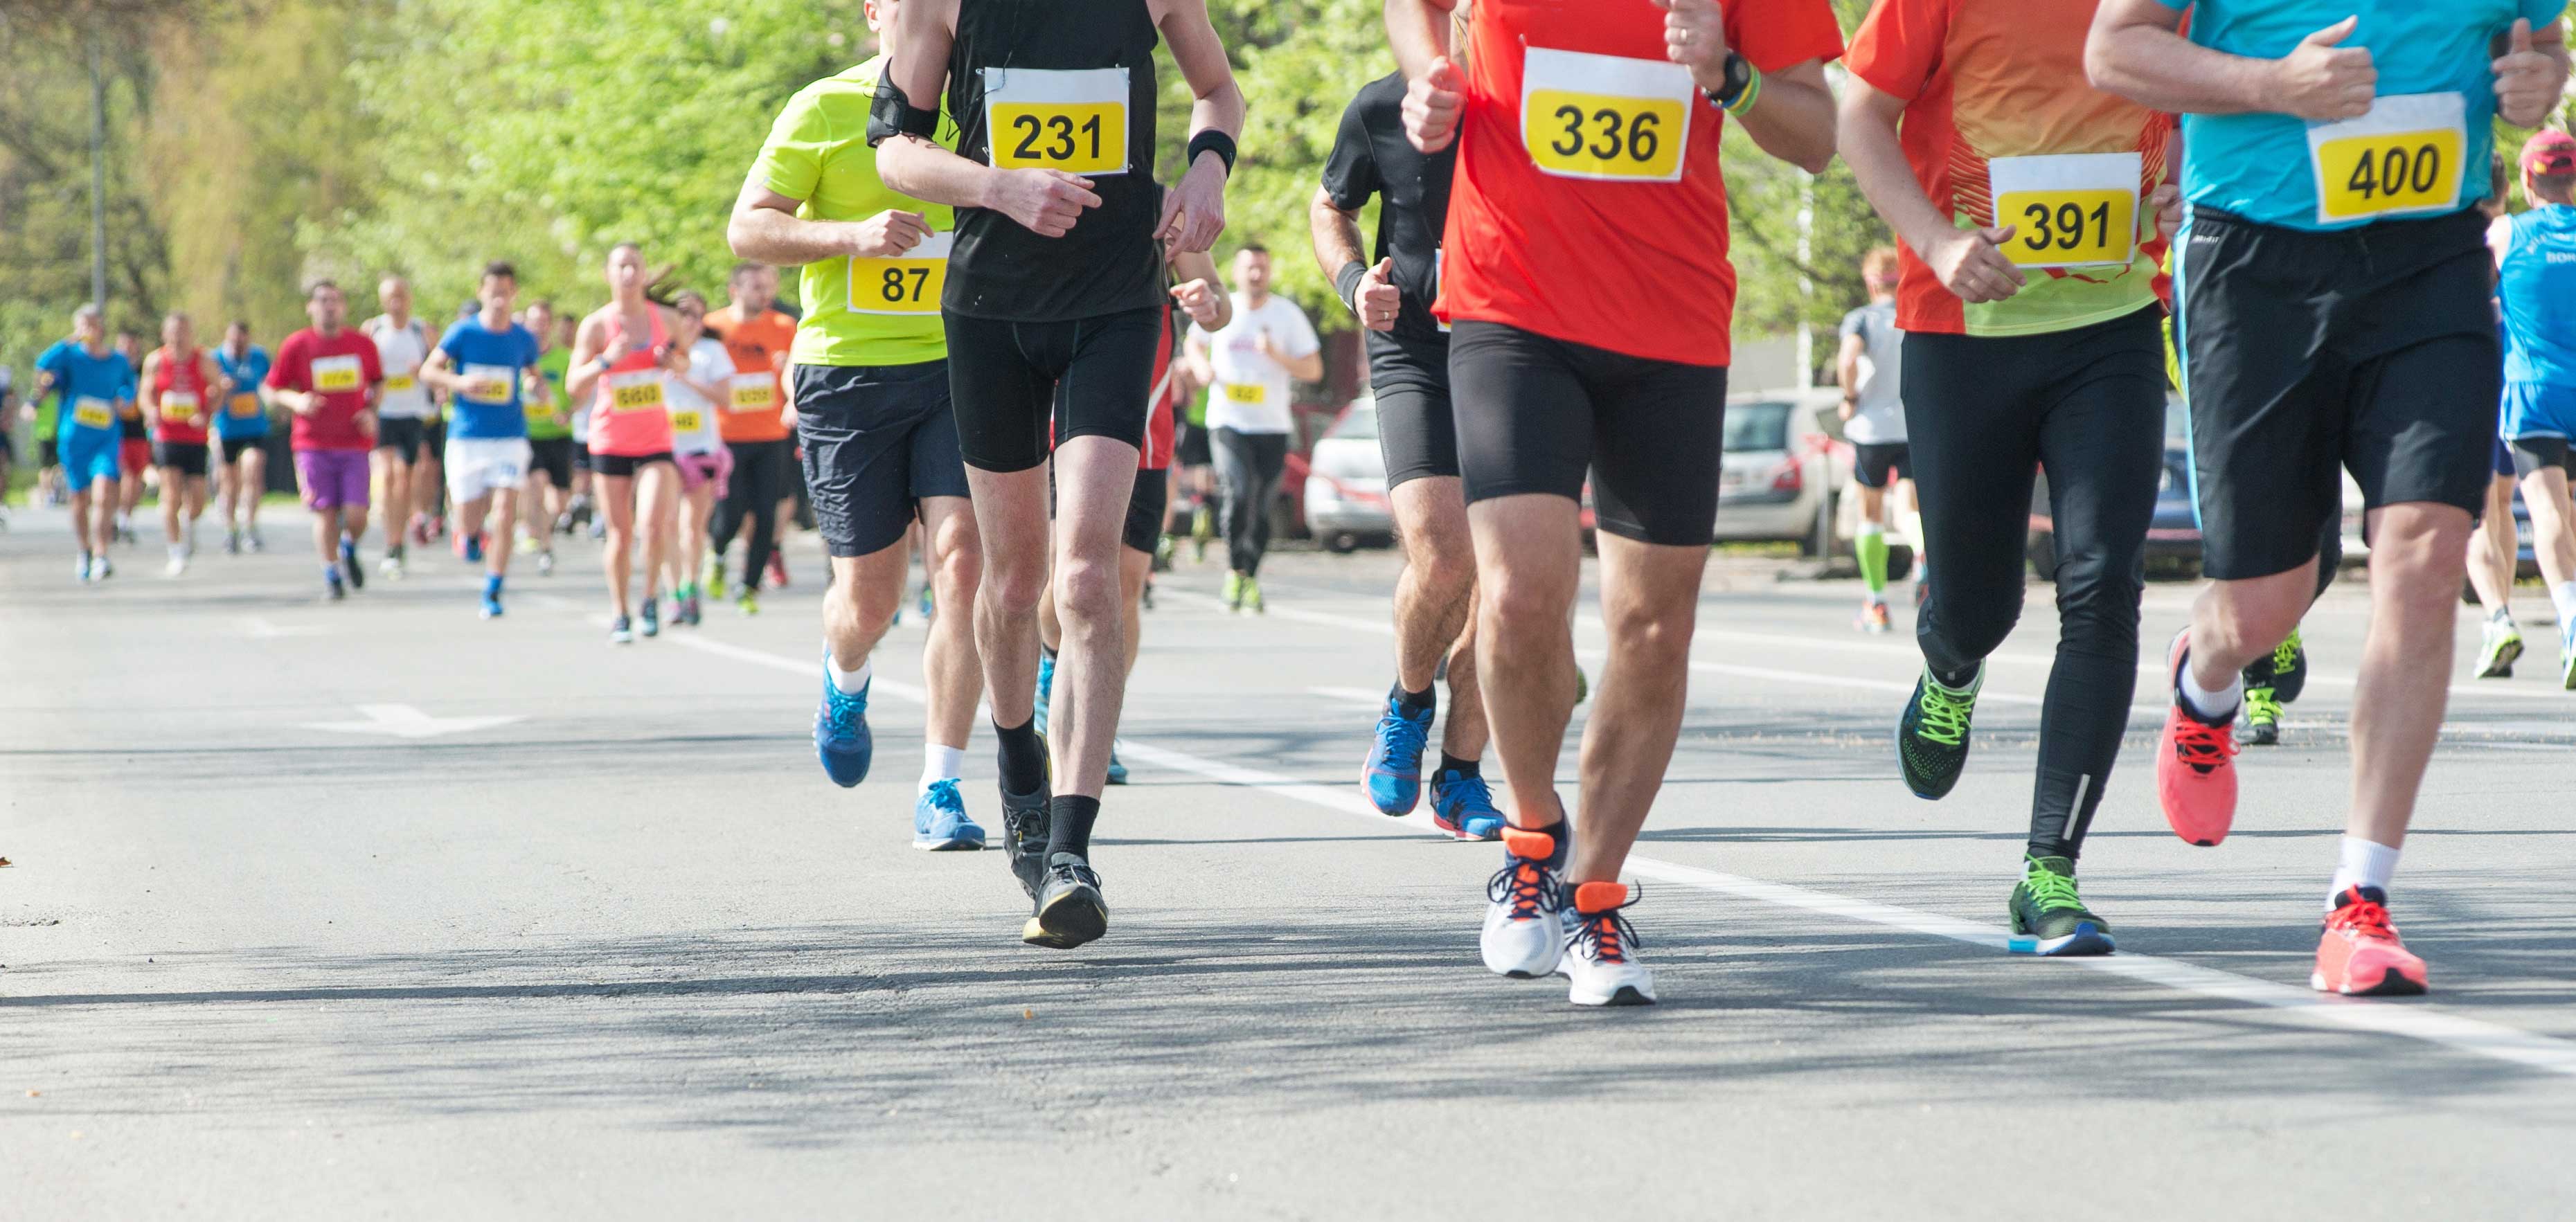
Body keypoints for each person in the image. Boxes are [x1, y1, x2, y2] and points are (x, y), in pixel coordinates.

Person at [2089, 0, 2570, 995]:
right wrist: (2272, 86)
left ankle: (2361, 898)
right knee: (2267, 600)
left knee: (2428, 557)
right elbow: (2114, 47)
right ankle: (2205, 678)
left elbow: (2530, 42)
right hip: (2255, 261)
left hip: (2429, 258)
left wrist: (2538, 79)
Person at [1388, 0, 1841, 1004]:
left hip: (1670, 321)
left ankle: (1595, 900)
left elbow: (1818, 136)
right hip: (1513, 300)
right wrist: (1431, 74)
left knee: (1651, 627)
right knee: (1516, 595)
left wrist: (1733, 78)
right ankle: (1531, 845)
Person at [874, 0, 1244, 944]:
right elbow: (896, 151)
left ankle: (1071, 851)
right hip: (993, 309)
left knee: (1086, 579)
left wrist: (1207, 171)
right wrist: (998, 186)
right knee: (1012, 582)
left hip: (1117, 303)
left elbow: (1217, 92)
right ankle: (1016, 764)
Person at [1845, 0, 2181, 958]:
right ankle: (1952, 662)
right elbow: (1858, 116)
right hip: (1964, 338)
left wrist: (2182, 185)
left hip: (2111, 328)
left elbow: (2203, 98)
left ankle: (2050, 871)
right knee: (1980, 605)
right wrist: (1937, 243)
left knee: (2103, 586)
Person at [731, 1, 994, 850]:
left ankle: (942, 784)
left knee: (962, 565)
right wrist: (852, 235)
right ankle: (845, 676)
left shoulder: (985, 103)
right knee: (871, 597)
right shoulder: (825, 107)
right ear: (877, 11)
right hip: (848, 375)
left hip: (962, 367)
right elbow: (749, 227)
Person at [1311, 67, 1504, 841]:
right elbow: (1332, 207)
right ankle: (1409, 703)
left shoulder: (1544, 90)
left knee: (1512, 577)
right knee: (1446, 554)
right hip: (1415, 349)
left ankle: (1460, 776)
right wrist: (1355, 283)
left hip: (1521, 352)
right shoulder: (1386, 103)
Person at [1036, 244, 1231, 788]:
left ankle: (1099, 720)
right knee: (1063, 577)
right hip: (1062, 426)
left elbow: (1219, 300)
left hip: (1146, 434)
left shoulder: (1166, 212)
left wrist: (1207, 302)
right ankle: (1051, 672)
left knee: (1123, 586)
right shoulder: (1052, 195)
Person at [1183, 244, 1319, 613]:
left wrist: (1278, 356)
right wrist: (1202, 367)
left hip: (1272, 426)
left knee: (1261, 507)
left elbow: (1314, 369)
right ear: (1237, 272)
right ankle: (1233, 570)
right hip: (1228, 421)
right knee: (1238, 492)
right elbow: (1193, 343)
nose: (1256, 274)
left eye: (1262, 268)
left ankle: (1251, 576)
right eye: (1249, 268)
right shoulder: (1224, 309)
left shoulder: (1287, 315)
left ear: (1269, 271)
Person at [566, 244, 686, 644]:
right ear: (609, 275)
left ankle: (650, 598)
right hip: (611, 439)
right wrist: (606, 361)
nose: (630, 274)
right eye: (622, 267)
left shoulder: (665, 319)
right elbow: (573, 386)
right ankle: (620, 612)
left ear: (645, 272)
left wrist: (672, 364)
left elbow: (685, 361)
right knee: (620, 533)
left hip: (656, 439)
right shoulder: (597, 326)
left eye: (636, 265)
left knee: (653, 526)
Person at [2492, 127, 2576, 690]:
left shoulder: (2506, 234)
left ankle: (2572, 622)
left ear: (2527, 180)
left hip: (2535, 391)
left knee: (2548, 513)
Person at [422, 260, 547, 620]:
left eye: (505, 293)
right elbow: (429, 370)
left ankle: (494, 588)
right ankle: (471, 534)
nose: (499, 300)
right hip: (468, 436)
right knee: (468, 512)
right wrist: (459, 383)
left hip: (509, 435)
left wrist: (534, 386)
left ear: (514, 295)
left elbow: (533, 375)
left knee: (506, 512)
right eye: (493, 292)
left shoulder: (523, 338)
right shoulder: (463, 333)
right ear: (481, 293)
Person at [267, 280, 385, 600]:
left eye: (335, 300)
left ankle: (348, 547)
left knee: (358, 514)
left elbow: (378, 382)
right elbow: (273, 388)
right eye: (322, 301)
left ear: (343, 307)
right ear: (311, 307)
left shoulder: (361, 344)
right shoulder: (297, 344)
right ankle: (331, 572)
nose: (329, 306)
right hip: (312, 443)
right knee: (325, 512)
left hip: (354, 442)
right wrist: (297, 402)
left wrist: (372, 411)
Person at [704, 263, 800, 616]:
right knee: (731, 512)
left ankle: (749, 585)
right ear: (735, 290)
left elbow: (799, 370)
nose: (764, 293)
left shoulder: (783, 327)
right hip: (727, 436)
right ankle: (716, 554)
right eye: (756, 286)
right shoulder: (713, 327)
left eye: (768, 286)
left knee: (765, 514)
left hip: (771, 435)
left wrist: (788, 364)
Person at [1835, 246, 1921, 631]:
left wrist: (1849, 398)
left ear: (1870, 282)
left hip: (1871, 430)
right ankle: (1923, 554)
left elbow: (1849, 359)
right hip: (1911, 425)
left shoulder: (1861, 319)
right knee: (1909, 511)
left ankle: (1876, 602)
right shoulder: (1913, 315)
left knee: (1869, 514)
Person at [35, 305, 135, 581]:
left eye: (94, 323)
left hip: (105, 437)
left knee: (103, 493)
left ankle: (102, 554)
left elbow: (128, 387)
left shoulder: (117, 360)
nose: (90, 329)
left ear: (103, 327)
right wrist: (69, 340)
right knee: (79, 498)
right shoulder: (69, 356)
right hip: (75, 439)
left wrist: (123, 399)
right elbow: (42, 364)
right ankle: (85, 550)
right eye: (84, 324)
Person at [660, 290, 734, 627]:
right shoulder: (657, 352)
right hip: (663, 452)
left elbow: (726, 398)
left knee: (693, 528)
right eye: (683, 314)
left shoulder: (711, 352)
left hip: (702, 451)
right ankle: (673, 594)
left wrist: (687, 379)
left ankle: (691, 588)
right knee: (666, 524)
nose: (690, 321)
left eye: (696, 315)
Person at [137, 312, 229, 576]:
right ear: (165, 334)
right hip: (167, 435)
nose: (178, 337)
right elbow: (145, 393)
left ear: (191, 333)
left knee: (198, 500)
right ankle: (175, 551)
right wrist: (151, 411)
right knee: (171, 493)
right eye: (173, 332)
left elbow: (219, 391)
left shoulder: (203, 361)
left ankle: (188, 526)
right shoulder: (156, 361)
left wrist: (207, 413)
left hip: (195, 437)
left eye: (184, 331)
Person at [362, 276, 436, 575]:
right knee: (388, 475)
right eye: (390, 297)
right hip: (383, 413)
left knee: (405, 479)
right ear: (382, 300)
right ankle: (390, 541)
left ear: (410, 298)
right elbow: (360, 369)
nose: (396, 302)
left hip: (413, 413)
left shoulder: (423, 331)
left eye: (401, 295)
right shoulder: (373, 330)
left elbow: (440, 367)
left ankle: (397, 542)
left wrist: (424, 372)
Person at [519, 303, 576, 576]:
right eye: (534, 322)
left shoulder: (565, 358)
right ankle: (545, 547)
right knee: (536, 485)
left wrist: (569, 412)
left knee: (560, 502)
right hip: (529, 436)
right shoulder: (518, 358)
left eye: (543, 321)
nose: (539, 327)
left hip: (559, 435)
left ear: (550, 325)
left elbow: (580, 391)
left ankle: (544, 530)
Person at [213, 321, 274, 555]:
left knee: (254, 469)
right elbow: (206, 388)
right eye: (234, 340)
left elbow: (270, 382)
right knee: (230, 481)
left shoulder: (259, 357)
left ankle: (250, 525)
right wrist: (220, 389)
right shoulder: (216, 358)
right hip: (227, 428)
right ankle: (230, 529)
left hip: (255, 427)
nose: (239, 345)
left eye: (242, 340)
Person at [111, 330, 147, 543]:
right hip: (115, 432)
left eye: (131, 344)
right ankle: (114, 517)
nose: (128, 349)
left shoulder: (145, 369)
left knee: (135, 478)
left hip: (139, 431)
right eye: (123, 345)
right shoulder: (110, 367)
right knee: (121, 476)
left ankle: (125, 517)